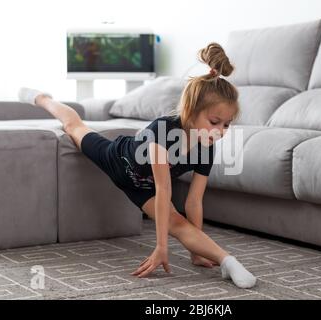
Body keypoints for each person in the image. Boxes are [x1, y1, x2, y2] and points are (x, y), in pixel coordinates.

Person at [18, 42, 256, 289]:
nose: (220, 131)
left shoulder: (207, 145)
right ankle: (43, 98)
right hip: (118, 161)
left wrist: (194, 251)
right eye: (215, 121)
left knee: (178, 222)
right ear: (190, 111)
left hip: (143, 188)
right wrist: (161, 247)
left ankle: (228, 261)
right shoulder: (163, 131)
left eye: (226, 125)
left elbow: (193, 201)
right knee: (73, 126)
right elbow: (165, 192)